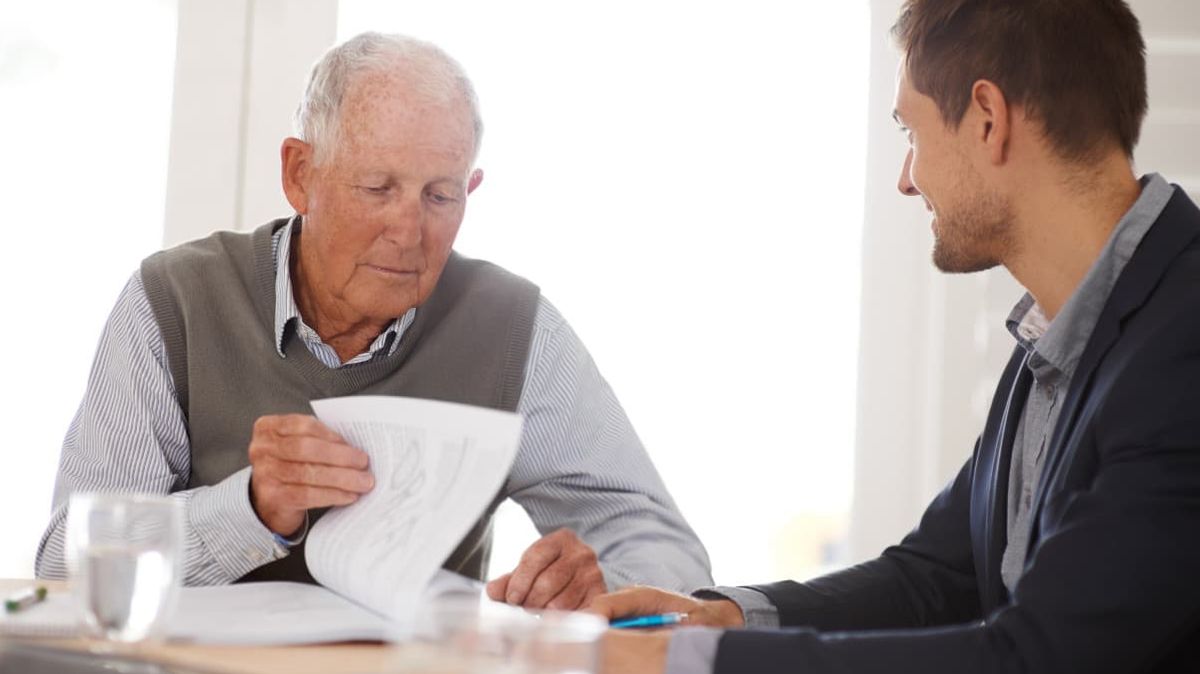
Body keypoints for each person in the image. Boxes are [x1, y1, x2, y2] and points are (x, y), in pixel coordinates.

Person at [589, 0, 1200, 671]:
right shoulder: (1056, 340)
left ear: (988, 120)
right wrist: (721, 617)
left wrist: (696, 662)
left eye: (911, 132)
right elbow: (933, 577)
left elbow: (1039, 658)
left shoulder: (1182, 343)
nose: (907, 180)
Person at [35, 32, 711, 610]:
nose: (409, 231)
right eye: (377, 189)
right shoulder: (173, 299)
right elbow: (68, 565)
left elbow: (660, 546)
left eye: (440, 195)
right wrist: (251, 510)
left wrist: (600, 584)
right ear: (301, 174)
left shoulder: (514, 327)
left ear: (470, 191)